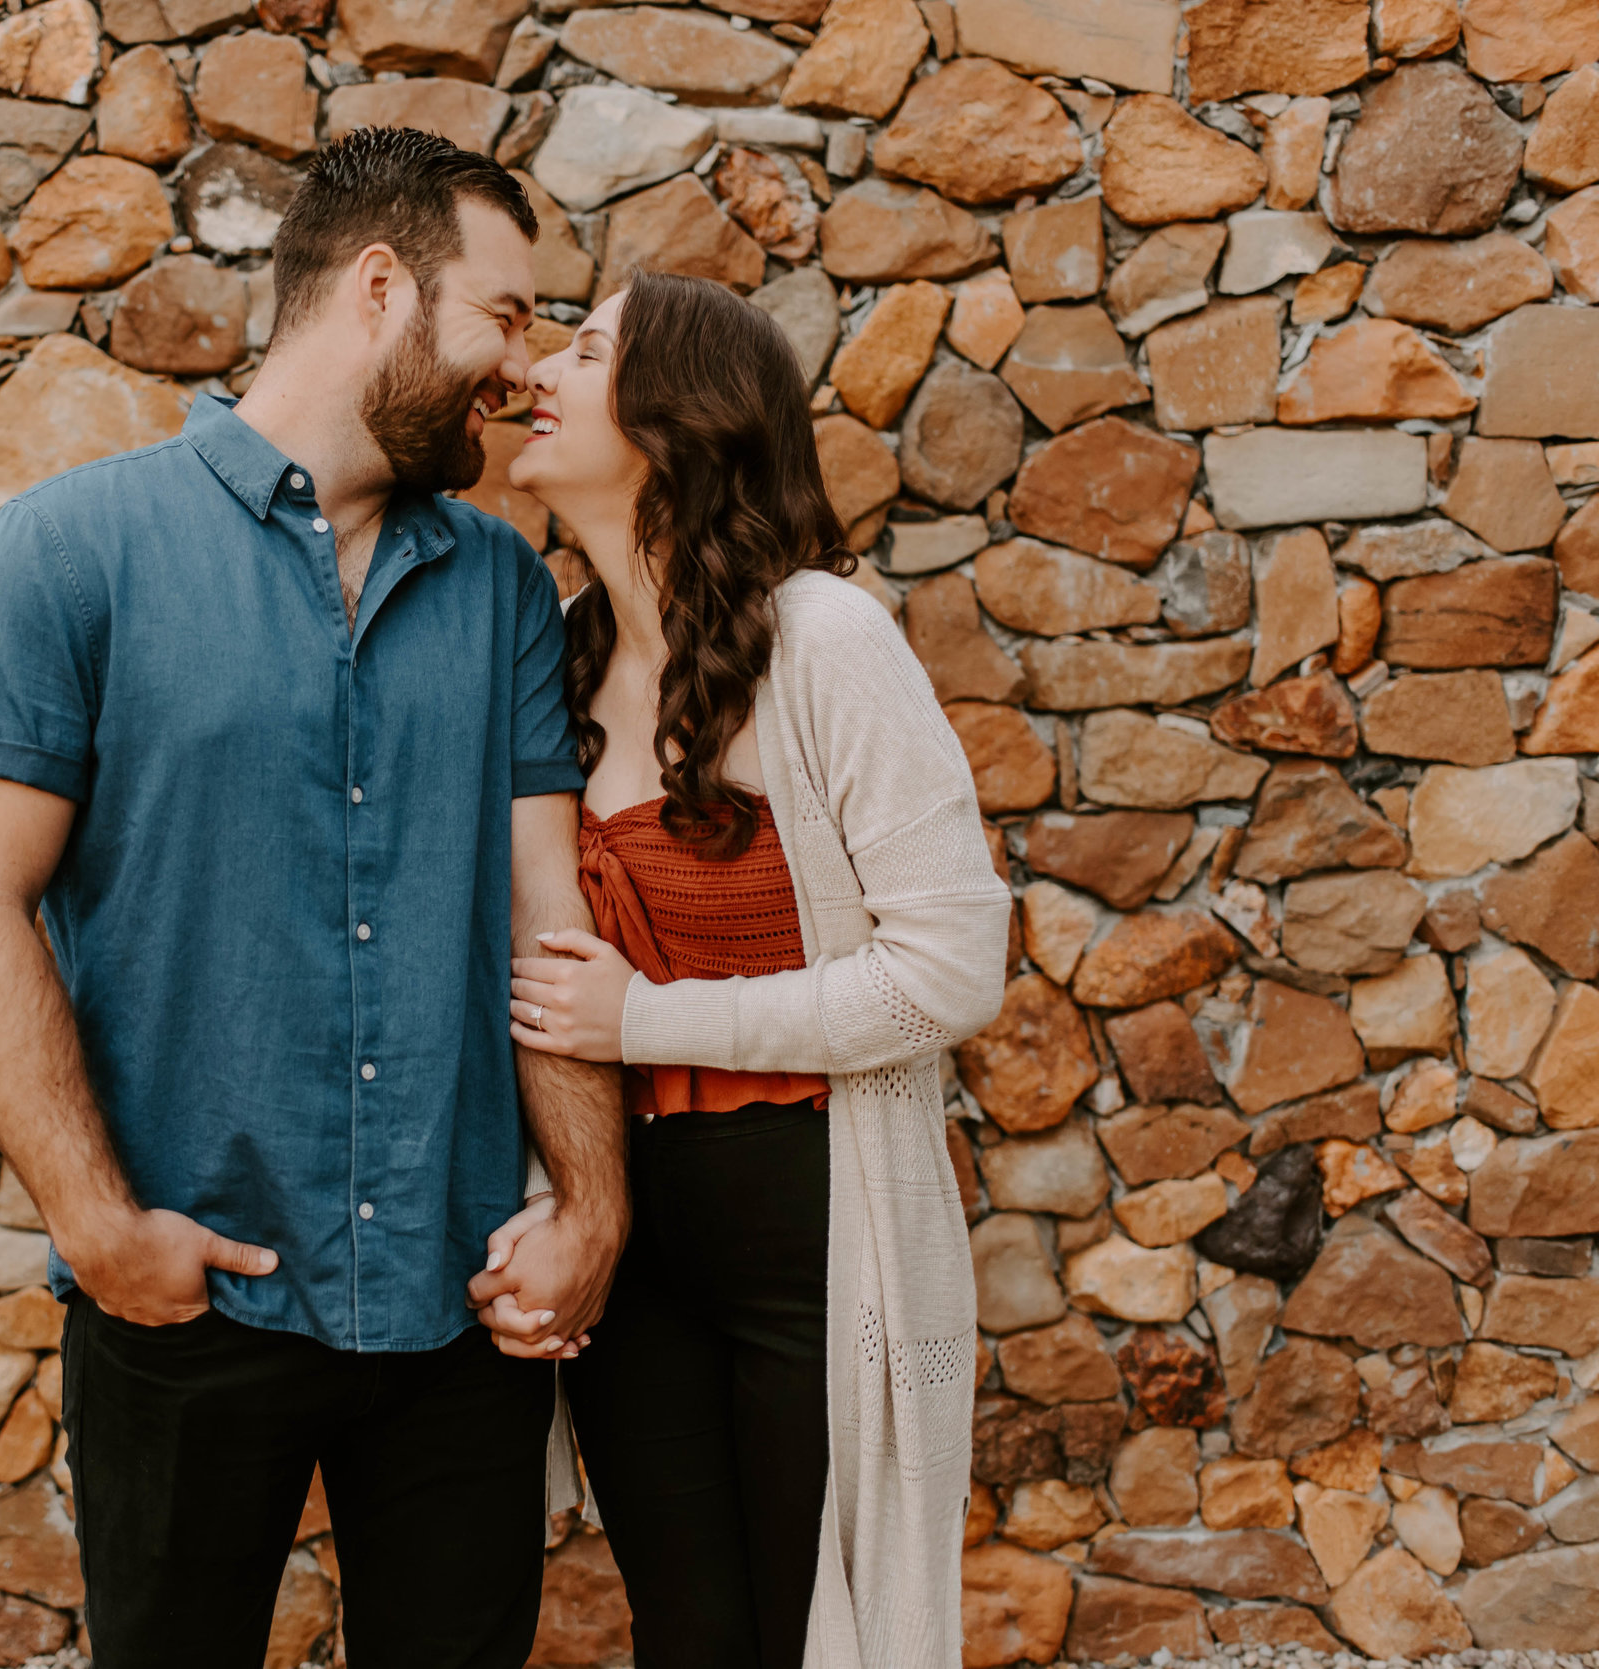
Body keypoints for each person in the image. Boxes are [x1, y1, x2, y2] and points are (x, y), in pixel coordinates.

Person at [0, 127, 628, 1669]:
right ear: (381, 285)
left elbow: (542, 912)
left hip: (457, 1301)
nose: (518, 368)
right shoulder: (68, 554)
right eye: (503, 313)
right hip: (187, 1297)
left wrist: (591, 1201)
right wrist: (97, 1228)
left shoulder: (502, 587)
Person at [479, 271, 1011, 1669]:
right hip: (639, 1244)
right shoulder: (560, 657)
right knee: (691, 1635)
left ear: (678, 418)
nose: (538, 367)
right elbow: (533, 980)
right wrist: (554, 1203)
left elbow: (950, 968)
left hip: (817, 1238)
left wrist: (651, 1012)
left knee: (812, 1636)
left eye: (585, 350)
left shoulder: (824, 637)